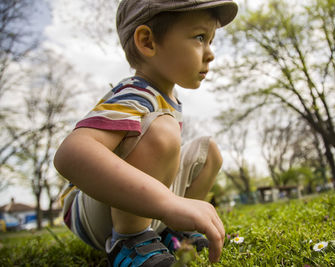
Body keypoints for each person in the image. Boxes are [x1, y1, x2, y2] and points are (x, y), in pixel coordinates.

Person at [54, 0, 238, 266]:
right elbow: (69, 155)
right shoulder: (136, 93)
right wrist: (167, 203)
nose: (210, 53)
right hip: (91, 207)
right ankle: (128, 241)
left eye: (211, 40)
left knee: (208, 151)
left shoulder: (167, 98)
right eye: (200, 37)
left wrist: (172, 205)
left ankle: (172, 233)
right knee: (162, 131)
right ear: (148, 42)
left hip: (135, 201)